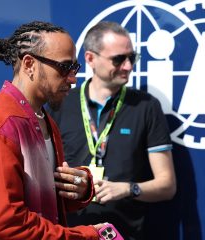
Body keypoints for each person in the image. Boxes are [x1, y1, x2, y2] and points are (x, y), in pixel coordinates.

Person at [0, 21, 105, 239]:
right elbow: (6, 221)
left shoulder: (43, 120)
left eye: (75, 68)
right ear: (29, 64)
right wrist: (85, 237)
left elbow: (40, 200)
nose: (73, 79)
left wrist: (79, 189)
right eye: (65, 68)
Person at [48, 21, 177, 240]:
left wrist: (127, 189)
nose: (128, 66)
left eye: (131, 58)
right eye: (118, 59)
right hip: (70, 233)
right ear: (90, 59)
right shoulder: (61, 104)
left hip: (124, 233)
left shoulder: (146, 106)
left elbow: (167, 185)